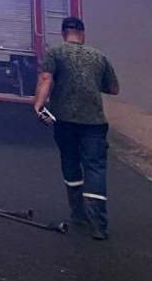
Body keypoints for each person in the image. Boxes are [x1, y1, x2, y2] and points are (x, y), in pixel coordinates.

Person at [33, 16, 120, 239]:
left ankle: (78, 213)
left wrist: (39, 104)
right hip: (95, 122)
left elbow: (46, 78)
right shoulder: (99, 56)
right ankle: (99, 225)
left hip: (65, 121)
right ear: (83, 34)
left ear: (64, 33)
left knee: (70, 162)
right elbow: (113, 88)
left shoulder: (55, 52)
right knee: (95, 168)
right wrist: (92, 82)